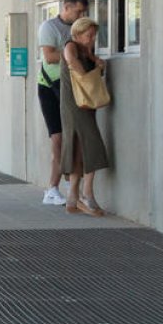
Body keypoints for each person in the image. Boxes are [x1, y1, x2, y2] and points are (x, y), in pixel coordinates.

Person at [37, 0, 88, 206]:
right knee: (58, 139)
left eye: (83, 12)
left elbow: (89, 51)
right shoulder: (49, 27)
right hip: (51, 86)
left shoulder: (81, 27)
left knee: (74, 138)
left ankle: (70, 184)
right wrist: (72, 54)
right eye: (77, 11)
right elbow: (48, 57)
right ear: (66, 7)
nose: (80, 15)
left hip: (73, 85)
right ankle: (55, 188)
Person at [61, 16, 110, 217]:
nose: (92, 39)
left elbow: (96, 66)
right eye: (89, 35)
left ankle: (73, 197)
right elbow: (75, 65)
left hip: (85, 103)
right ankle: (87, 193)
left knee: (78, 146)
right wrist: (92, 69)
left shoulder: (86, 50)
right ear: (78, 34)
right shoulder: (70, 46)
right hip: (75, 104)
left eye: (94, 36)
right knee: (93, 144)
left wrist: (93, 58)